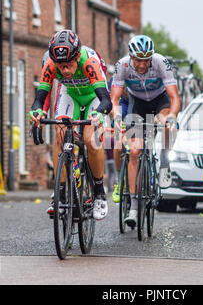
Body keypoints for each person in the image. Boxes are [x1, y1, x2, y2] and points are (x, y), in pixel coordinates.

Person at [29, 29, 112, 220]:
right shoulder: (50, 64)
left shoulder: (89, 62)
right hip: (70, 95)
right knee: (60, 136)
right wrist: (37, 113)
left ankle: (99, 192)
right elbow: (41, 98)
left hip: (94, 96)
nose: (65, 71)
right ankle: (60, 193)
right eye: (61, 66)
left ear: (77, 57)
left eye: (69, 65)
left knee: (90, 140)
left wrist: (98, 115)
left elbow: (105, 101)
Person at [110, 35, 181, 227]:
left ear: (152, 57)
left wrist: (173, 115)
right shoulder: (122, 65)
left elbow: (174, 96)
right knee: (134, 151)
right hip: (137, 103)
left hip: (160, 100)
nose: (142, 65)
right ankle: (134, 207)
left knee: (165, 122)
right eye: (138, 60)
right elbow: (115, 100)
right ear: (131, 57)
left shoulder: (161, 62)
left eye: (146, 59)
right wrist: (117, 117)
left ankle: (165, 162)